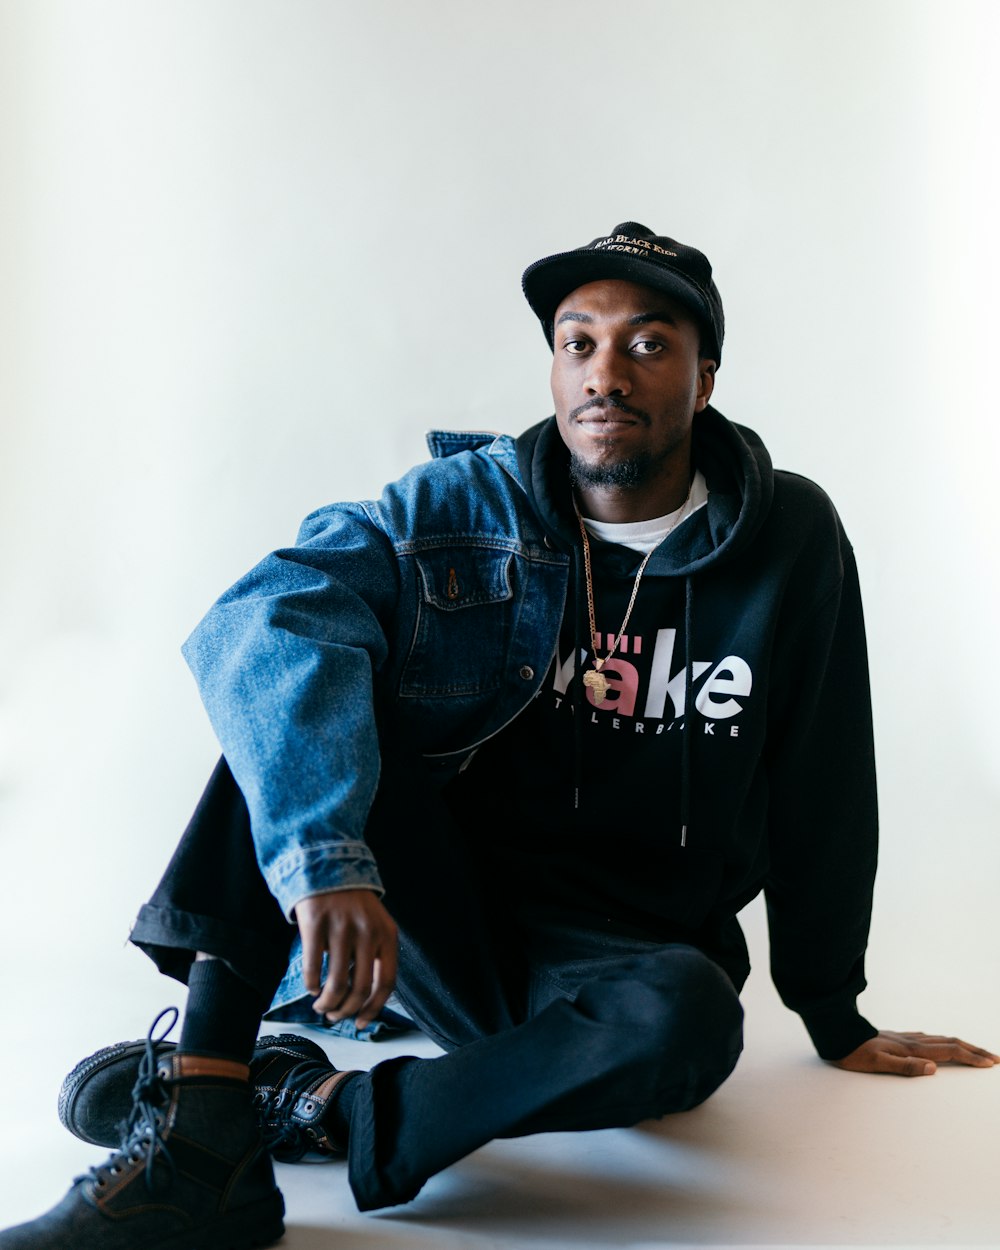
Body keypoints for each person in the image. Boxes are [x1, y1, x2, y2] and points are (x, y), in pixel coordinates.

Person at [3, 221, 996, 1250]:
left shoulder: (788, 537)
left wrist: (833, 1008)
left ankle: (306, 1103)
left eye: (647, 343)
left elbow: (821, 778)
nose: (604, 374)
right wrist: (326, 858)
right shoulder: (464, 505)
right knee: (308, 673)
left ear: (705, 378)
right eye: (578, 342)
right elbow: (270, 612)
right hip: (445, 919)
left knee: (693, 1018)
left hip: (628, 959)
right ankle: (199, 1125)